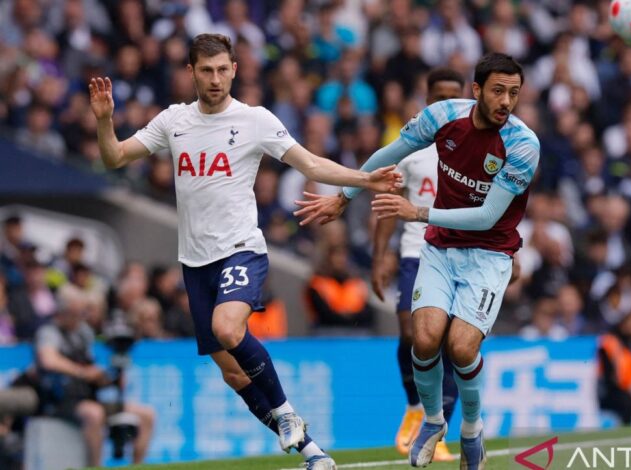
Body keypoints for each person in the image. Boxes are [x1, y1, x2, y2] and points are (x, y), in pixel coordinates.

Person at [89, 33, 401, 470]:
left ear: (234, 69)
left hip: (241, 250)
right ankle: (314, 454)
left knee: (229, 328)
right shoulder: (174, 121)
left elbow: (310, 163)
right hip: (194, 264)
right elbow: (114, 158)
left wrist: (365, 181)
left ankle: (286, 410)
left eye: (222, 69)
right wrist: (105, 122)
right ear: (191, 73)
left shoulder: (254, 120)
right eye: (206, 70)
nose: (215, 79)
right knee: (234, 373)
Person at [296, 52, 539, 470]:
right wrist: (343, 196)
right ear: (477, 90)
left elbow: (487, 217)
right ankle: (431, 421)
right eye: (498, 91)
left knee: (462, 348)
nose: (506, 102)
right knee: (423, 339)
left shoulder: (521, 145)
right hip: (441, 249)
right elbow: (389, 153)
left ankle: (473, 430)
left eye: (514, 93)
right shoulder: (443, 116)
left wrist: (418, 213)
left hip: (489, 254)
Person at [370, 68, 465, 462]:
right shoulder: (408, 148)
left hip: (462, 257)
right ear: (427, 100)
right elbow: (389, 206)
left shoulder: (478, 150)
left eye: (453, 98)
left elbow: (503, 208)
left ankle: (438, 429)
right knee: (412, 333)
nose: (445, 106)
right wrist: (379, 256)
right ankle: (415, 406)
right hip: (415, 252)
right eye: (438, 97)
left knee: (454, 347)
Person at [35, 285, 156, 466]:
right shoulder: (48, 332)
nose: (80, 318)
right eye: (76, 313)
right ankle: (95, 467)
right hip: (60, 400)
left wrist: (108, 379)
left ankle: (136, 467)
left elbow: (94, 366)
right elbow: (48, 361)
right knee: (95, 414)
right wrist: (82, 372)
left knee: (147, 415)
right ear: (63, 311)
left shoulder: (83, 332)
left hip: (89, 396)